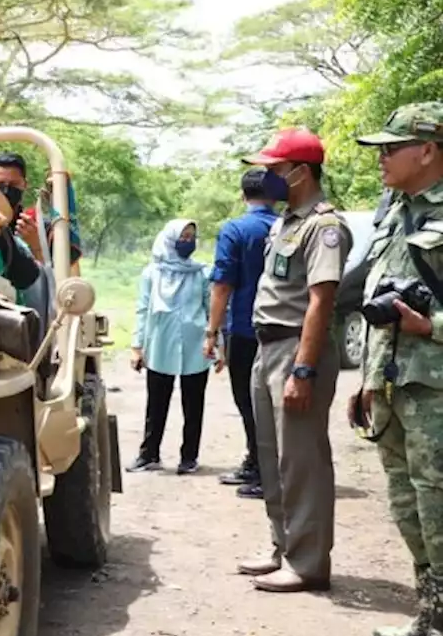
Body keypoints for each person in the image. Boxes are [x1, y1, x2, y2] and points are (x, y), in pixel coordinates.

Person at [346, 102, 443, 636]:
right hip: (393, 385)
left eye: (391, 147)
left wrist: (430, 328)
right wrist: (366, 381)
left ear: (428, 150)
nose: (381, 158)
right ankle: (429, 615)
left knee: (441, 513)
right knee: (409, 512)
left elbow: (418, 316)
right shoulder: (392, 214)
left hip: (436, 390)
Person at [235, 127, 352, 594]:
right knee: (271, 456)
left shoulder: (325, 227)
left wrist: (303, 369)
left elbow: (320, 302)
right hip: (267, 348)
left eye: (275, 170)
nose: (267, 177)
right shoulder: (286, 222)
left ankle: (307, 562)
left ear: (301, 172)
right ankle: (281, 546)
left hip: (296, 350)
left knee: (301, 460)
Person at [204, 168, 288, 499]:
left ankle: (266, 473)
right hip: (284, 327)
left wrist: (212, 332)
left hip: (245, 328)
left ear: (243, 196)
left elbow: (222, 285)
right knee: (273, 404)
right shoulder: (288, 226)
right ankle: (256, 462)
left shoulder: (236, 230)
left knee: (250, 402)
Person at [128, 219, 213, 475]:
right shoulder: (152, 273)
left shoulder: (202, 273)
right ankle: (149, 454)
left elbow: (211, 310)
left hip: (195, 345)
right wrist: (137, 346)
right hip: (160, 345)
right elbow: (142, 310)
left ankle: (189, 457)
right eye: (183, 236)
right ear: (170, 238)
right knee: (156, 403)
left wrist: (216, 342)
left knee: (194, 404)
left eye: (191, 237)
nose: (187, 241)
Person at [0, 152, 83, 273]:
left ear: (24, 185)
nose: (6, 190)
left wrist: (36, 245)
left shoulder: (43, 229)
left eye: (14, 184)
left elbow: (63, 279)